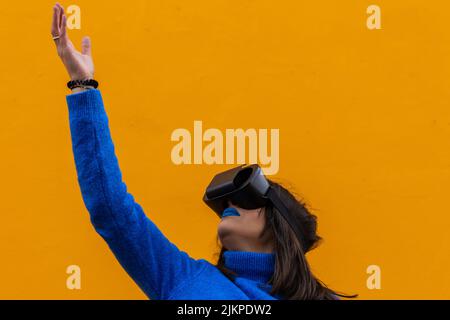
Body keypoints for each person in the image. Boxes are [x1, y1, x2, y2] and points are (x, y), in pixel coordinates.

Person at [51, 3, 356, 300]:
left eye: (248, 199)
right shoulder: (180, 277)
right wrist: (83, 86)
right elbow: (112, 211)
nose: (230, 205)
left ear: (279, 225)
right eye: (226, 202)